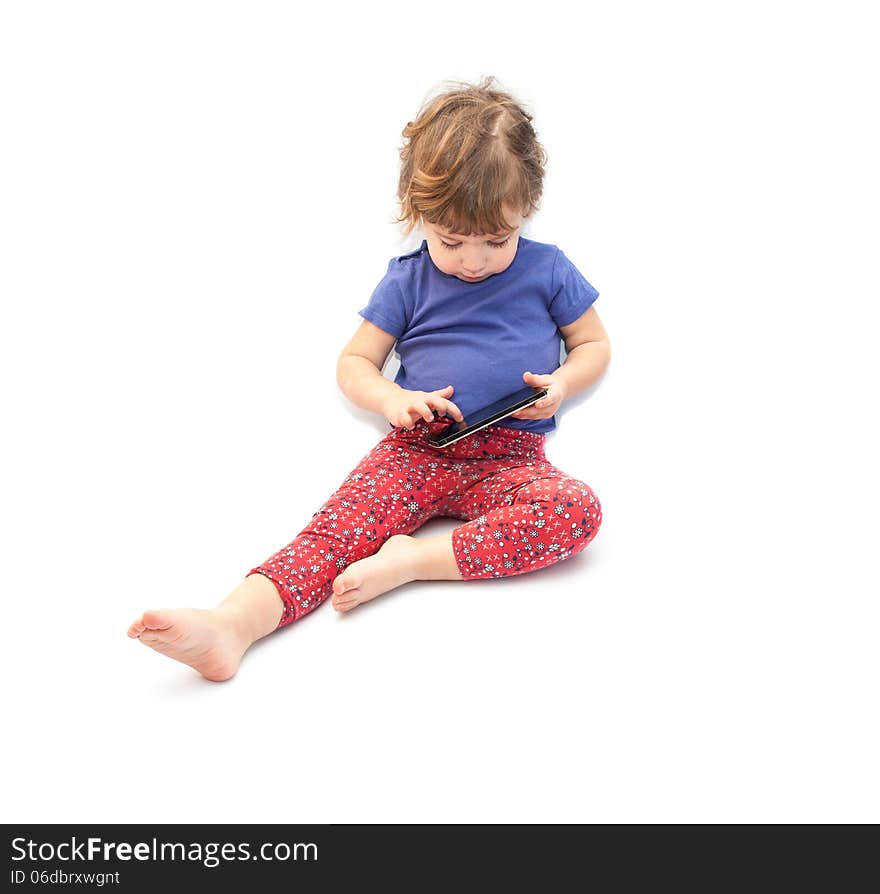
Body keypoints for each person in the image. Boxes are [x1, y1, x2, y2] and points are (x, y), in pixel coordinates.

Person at [127, 75, 611, 681]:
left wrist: (564, 384)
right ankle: (232, 625)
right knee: (331, 534)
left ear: (528, 211)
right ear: (418, 213)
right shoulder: (407, 280)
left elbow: (592, 343)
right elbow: (354, 364)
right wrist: (394, 398)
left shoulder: (550, 270)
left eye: (497, 239)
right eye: (452, 239)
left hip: (511, 457)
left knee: (576, 511)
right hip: (418, 450)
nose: (474, 259)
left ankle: (414, 560)